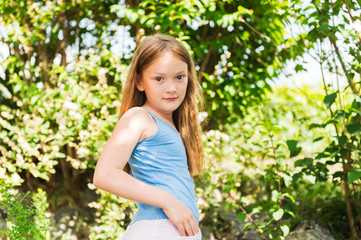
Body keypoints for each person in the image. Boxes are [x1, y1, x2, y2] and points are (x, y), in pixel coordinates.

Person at [93, 34, 204, 240]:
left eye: (179, 77)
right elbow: (104, 174)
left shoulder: (171, 126)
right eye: (159, 79)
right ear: (139, 82)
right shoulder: (139, 117)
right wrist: (169, 202)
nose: (171, 88)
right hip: (157, 231)